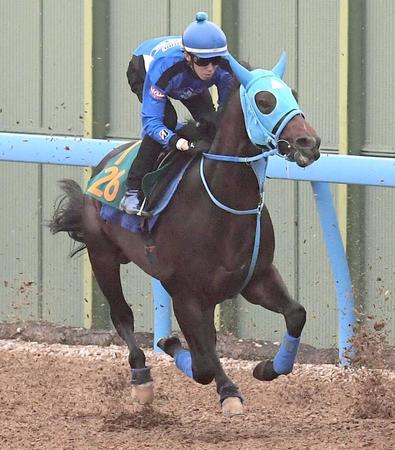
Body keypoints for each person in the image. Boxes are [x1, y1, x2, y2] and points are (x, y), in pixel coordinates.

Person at [120, 11, 235, 215]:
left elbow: (223, 113)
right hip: (146, 70)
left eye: (215, 60)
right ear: (188, 56)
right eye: (203, 62)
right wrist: (177, 142)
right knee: (167, 120)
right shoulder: (165, 68)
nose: (210, 69)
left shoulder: (223, 67)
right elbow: (152, 123)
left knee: (209, 121)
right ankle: (132, 191)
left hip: (187, 79)